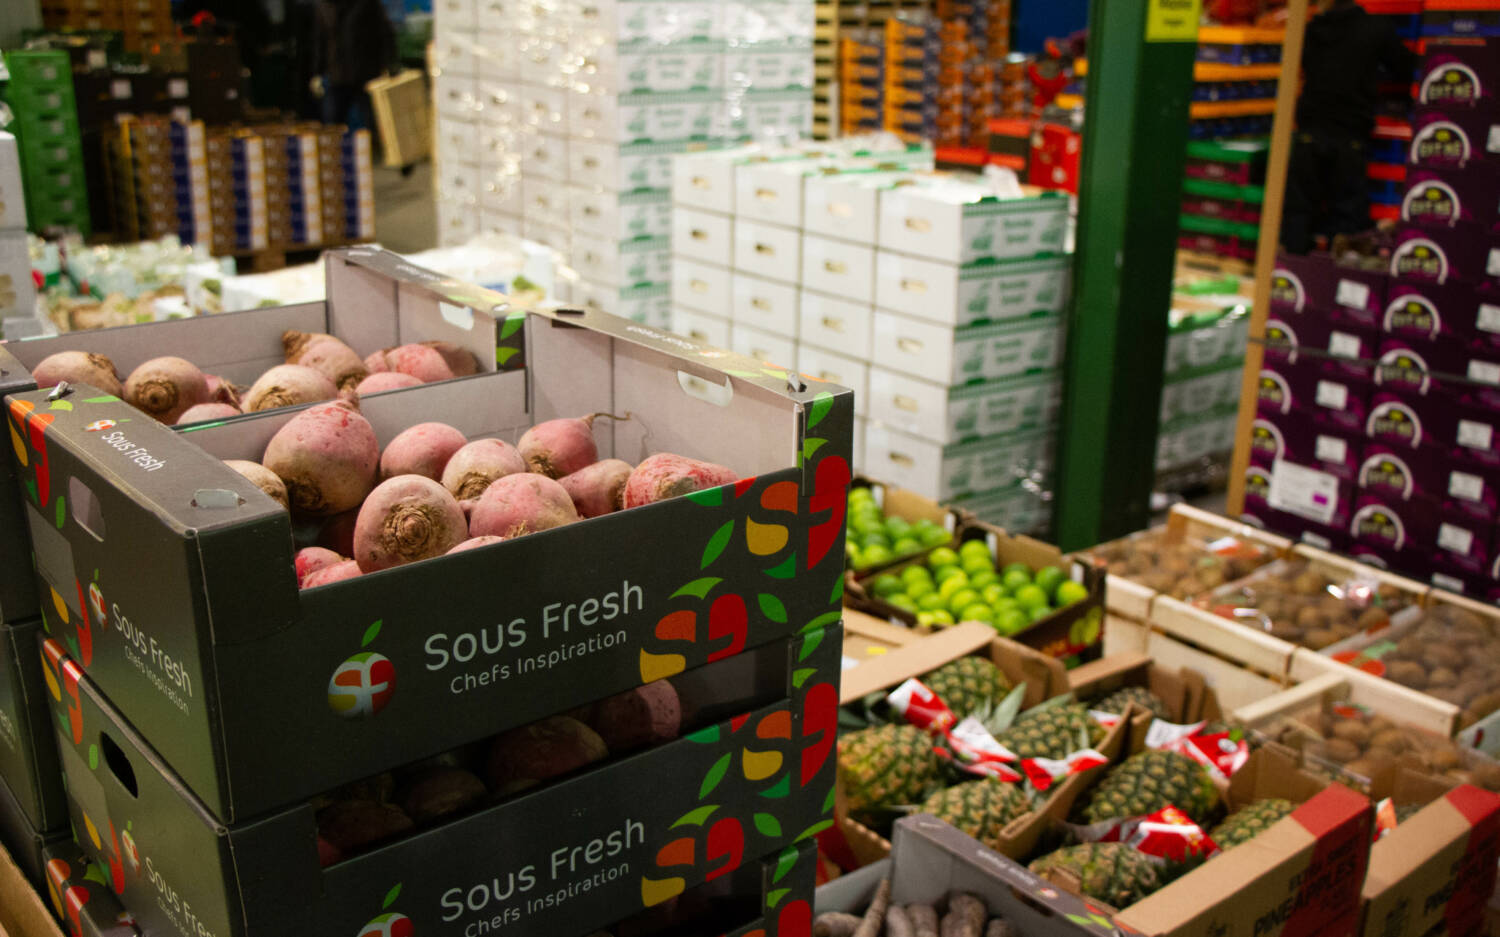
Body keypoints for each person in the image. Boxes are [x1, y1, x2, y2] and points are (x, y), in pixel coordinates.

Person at [1281, 0, 1416, 254]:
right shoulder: (1376, 28)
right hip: (1350, 134)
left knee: (1298, 214)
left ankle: (1291, 279)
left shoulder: (1311, 29)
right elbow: (1407, 68)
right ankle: (1335, 283)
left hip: (1309, 132)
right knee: (1346, 221)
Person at [310, 0, 397, 132]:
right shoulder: (323, 5)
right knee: (332, 124)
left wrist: (388, 65)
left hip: (366, 73)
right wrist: (317, 72)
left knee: (372, 122)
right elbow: (321, 40)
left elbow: (385, 33)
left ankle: (373, 148)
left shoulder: (367, 3)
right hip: (337, 74)